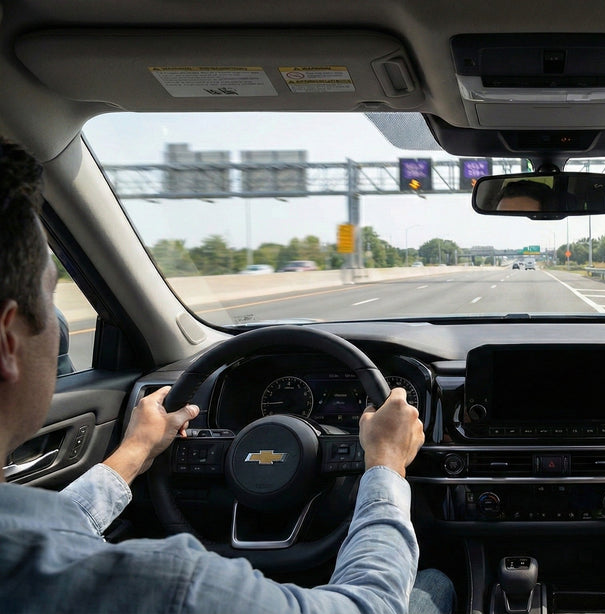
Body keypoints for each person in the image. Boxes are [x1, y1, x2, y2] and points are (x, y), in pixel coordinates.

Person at [0, 137, 455, 613]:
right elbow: (373, 606)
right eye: (51, 298)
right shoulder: (171, 588)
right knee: (433, 584)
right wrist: (385, 462)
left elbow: (58, 527)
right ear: (8, 341)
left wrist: (135, 450)